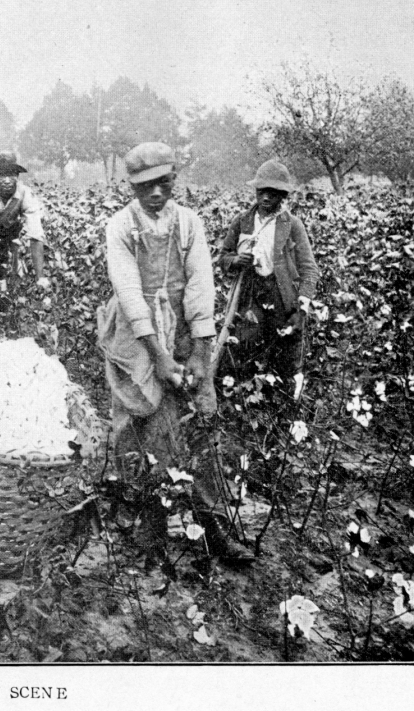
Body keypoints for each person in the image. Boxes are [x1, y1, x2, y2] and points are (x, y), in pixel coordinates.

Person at [98, 142, 252, 567]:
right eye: (145, 186)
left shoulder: (188, 224)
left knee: (199, 419)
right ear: (132, 187)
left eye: (163, 183)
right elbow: (130, 294)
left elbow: (201, 285)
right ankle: (149, 523)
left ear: (173, 180)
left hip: (183, 328)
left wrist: (200, 353)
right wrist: (159, 357)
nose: (156, 193)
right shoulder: (121, 226)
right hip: (137, 335)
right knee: (145, 421)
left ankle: (212, 525)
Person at [218, 159, 319, 380]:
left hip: (282, 294)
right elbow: (223, 257)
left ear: (282, 196)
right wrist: (236, 260)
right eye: (261, 192)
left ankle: (283, 394)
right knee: (243, 348)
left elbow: (309, 269)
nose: (265, 198)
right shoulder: (242, 221)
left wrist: (302, 308)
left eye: (272, 193)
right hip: (251, 293)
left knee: (286, 354)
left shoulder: (292, 225)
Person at [0, 152, 48, 293]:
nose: (7, 180)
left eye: (11, 175)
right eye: (2, 175)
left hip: (12, 234)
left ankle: (16, 281)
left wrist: (40, 278)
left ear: (17, 176)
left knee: (19, 272)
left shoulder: (26, 194)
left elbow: (35, 234)